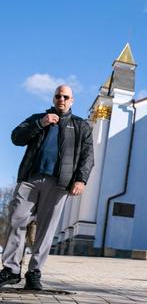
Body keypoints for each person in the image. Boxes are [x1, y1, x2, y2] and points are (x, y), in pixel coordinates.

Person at [0, 85, 94, 290]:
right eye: (58, 96)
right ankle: (11, 270)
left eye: (65, 96)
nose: (61, 99)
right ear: (53, 98)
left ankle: (34, 272)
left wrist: (81, 180)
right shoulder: (38, 118)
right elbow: (16, 137)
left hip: (59, 183)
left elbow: (88, 156)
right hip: (30, 179)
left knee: (46, 229)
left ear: (72, 100)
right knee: (17, 218)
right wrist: (40, 123)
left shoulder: (81, 126)